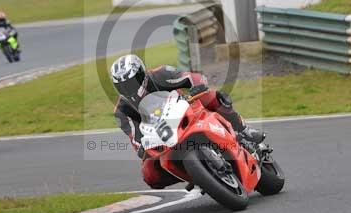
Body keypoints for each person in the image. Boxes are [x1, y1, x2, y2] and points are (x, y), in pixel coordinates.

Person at [110, 54, 264, 189]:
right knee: (149, 173)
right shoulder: (121, 111)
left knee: (209, 96)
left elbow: (191, 77)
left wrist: (197, 87)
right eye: (122, 85)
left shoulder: (160, 74)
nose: (129, 88)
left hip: (184, 109)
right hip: (161, 136)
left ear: (142, 73)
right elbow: (135, 138)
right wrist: (143, 148)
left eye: (132, 81)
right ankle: (196, 175)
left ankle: (243, 129)